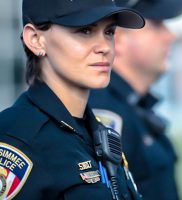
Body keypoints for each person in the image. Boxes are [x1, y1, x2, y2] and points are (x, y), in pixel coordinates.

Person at [0, 0, 145, 199]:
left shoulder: (99, 133)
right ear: (35, 39)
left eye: (109, 32)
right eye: (85, 30)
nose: (105, 47)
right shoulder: (18, 139)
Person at [89, 0, 182, 199]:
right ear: (119, 38)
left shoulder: (132, 105)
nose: (171, 36)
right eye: (157, 25)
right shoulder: (105, 113)